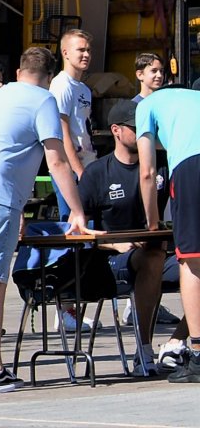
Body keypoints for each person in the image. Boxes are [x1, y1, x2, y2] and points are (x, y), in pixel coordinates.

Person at [0, 45, 89, 394]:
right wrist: (77, 211)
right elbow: (57, 162)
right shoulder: (43, 101)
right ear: (50, 77)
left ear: (19, 70)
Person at [79, 98, 173, 375]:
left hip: (159, 252)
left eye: (149, 128)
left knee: (185, 263)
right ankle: (143, 350)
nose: (146, 134)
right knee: (152, 257)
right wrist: (112, 242)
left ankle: (178, 344)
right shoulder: (97, 172)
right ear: (117, 130)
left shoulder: (164, 166)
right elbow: (76, 228)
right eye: (137, 128)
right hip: (110, 260)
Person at [137, 78, 200, 382]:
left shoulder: (147, 104)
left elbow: (148, 171)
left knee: (191, 258)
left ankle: (198, 354)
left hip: (192, 166)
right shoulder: (193, 98)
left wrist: (152, 223)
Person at [52, 28, 95, 200]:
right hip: (70, 170)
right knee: (72, 223)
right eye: (81, 50)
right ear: (65, 53)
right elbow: (63, 133)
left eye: (88, 50)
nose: (86, 55)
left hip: (87, 164)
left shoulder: (84, 88)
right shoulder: (62, 85)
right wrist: (79, 172)